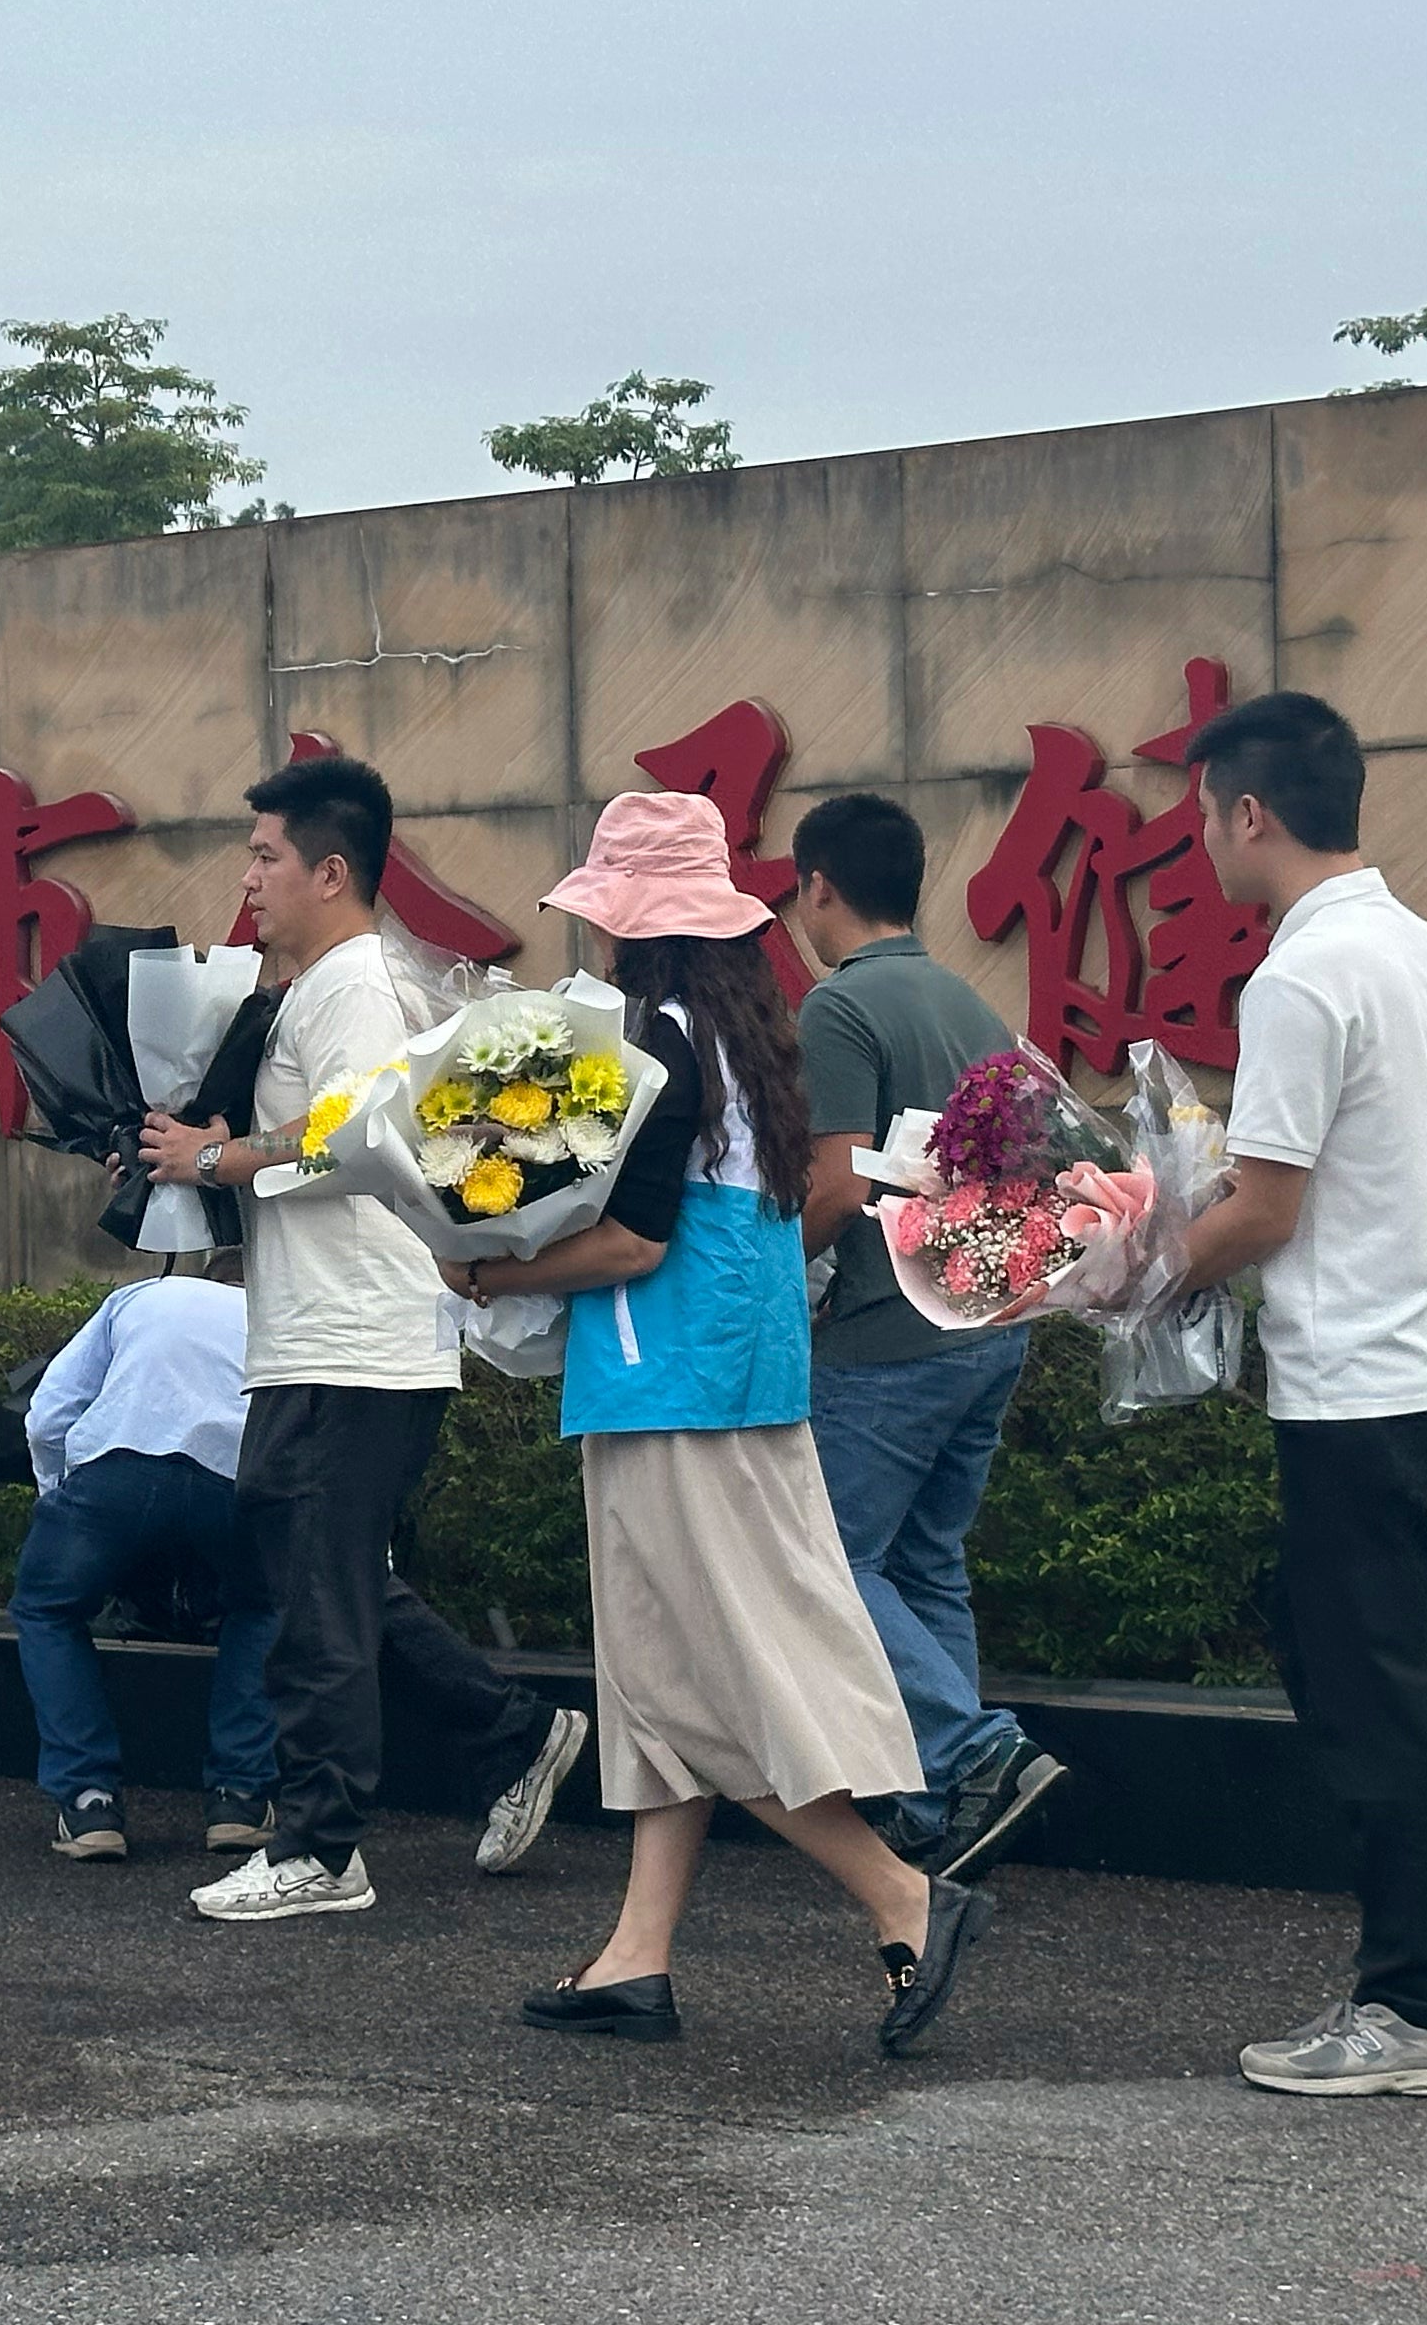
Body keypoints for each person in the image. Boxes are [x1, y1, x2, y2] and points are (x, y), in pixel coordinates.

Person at [470, 792, 989, 2054]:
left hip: (670, 1392)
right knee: (655, 1675)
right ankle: (635, 1958)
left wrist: (492, 1268)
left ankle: (906, 1895)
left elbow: (634, 1237)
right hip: (743, 1375)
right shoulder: (747, 1031)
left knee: (693, 1685)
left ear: (630, 925)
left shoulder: (652, 1042)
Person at [135, 753, 590, 1924]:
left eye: (267, 856)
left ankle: (324, 1846)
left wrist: (218, 1156)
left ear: (331, 871)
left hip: (357, 1337)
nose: (249, 877)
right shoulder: (326, 982)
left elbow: (354, 1139)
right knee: (322, 1577)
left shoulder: (353, 986)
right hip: (324, 1338)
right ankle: (517, 1733)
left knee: (316, 1598)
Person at [1178, 691, 1427, 2101]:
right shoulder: (1425, 953)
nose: (1201, 841)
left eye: (1204, 816)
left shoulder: (1303, 978)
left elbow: (1264, 1209)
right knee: (1336, 1647)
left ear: (1250, 813)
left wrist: (1131, 1277)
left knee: (1374, 1688)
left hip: (1362, 1380)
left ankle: (1417, 2013)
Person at [785, 791, 1070, 1877]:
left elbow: (832, 1181)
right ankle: (951, 1806)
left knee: (827, 1556)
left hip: (887, 1335)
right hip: (991, 1321)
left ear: (819, 885)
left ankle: (972, 1750)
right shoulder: (970, 1004)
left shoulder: (839, 1008)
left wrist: (756, 1278)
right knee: (925, 1563)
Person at [11, 1267, 276, 1860]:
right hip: (232, 1477)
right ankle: (240, 1796)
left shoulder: (138, 1297)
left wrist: (55, 1497)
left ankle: (88, 1802)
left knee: (47, 1608)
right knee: (261, 1607)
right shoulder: (277, 1311)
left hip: (118, 1467)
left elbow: (49, 1413)